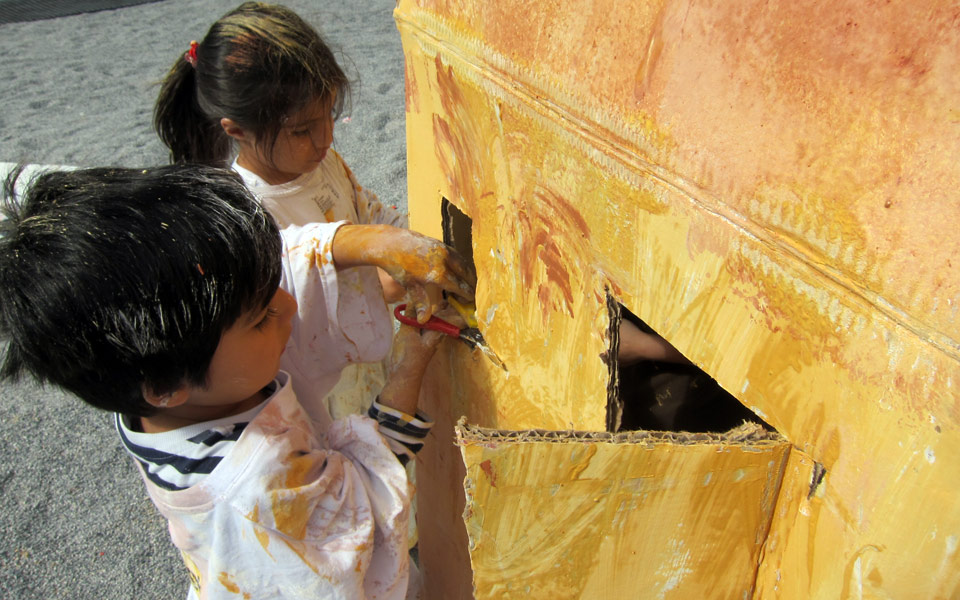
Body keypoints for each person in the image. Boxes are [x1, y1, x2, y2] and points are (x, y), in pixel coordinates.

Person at [0, 164, 471, 599]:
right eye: (262, 316)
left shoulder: (152, 376)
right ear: (165, 385)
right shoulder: (257, 490)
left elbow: (271, 268)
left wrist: (369, 243)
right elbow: (364, 503)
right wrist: (410, 362)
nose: (289, 304)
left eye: (274, 287)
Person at [154, 1, 416, 421]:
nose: (325, 138)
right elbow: (292, 306)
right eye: (302, 130)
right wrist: (386, 279)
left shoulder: (321, 163)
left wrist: (408, 238)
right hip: (318, 380)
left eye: (329, 115)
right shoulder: (244, 216)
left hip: (364, 355)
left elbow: (365, 210)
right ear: (237, 130)